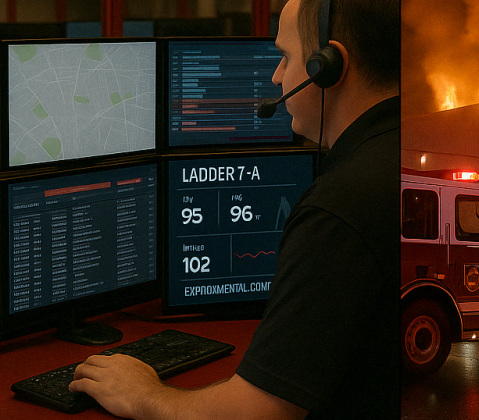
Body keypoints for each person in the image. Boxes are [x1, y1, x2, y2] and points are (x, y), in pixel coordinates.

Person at [69, 0, 400, 418]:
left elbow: (258, 412)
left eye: (285, 58)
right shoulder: (398, 156)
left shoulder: (340, 207)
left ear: (329, 66)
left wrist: (146, 395)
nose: (276, 76)